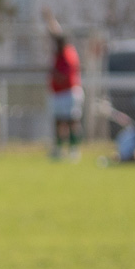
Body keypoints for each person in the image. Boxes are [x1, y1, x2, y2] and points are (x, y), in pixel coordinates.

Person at [46, 9, 83, 162]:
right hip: (58, 93)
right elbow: (55, 32)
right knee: (58, 121)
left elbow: (65, 77)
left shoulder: (68, 54)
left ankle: (74, 149)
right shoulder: (58, 54)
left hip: (69, 92)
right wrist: (49, 19)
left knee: (71, 121)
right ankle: (59, 149)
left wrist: (55, 74)